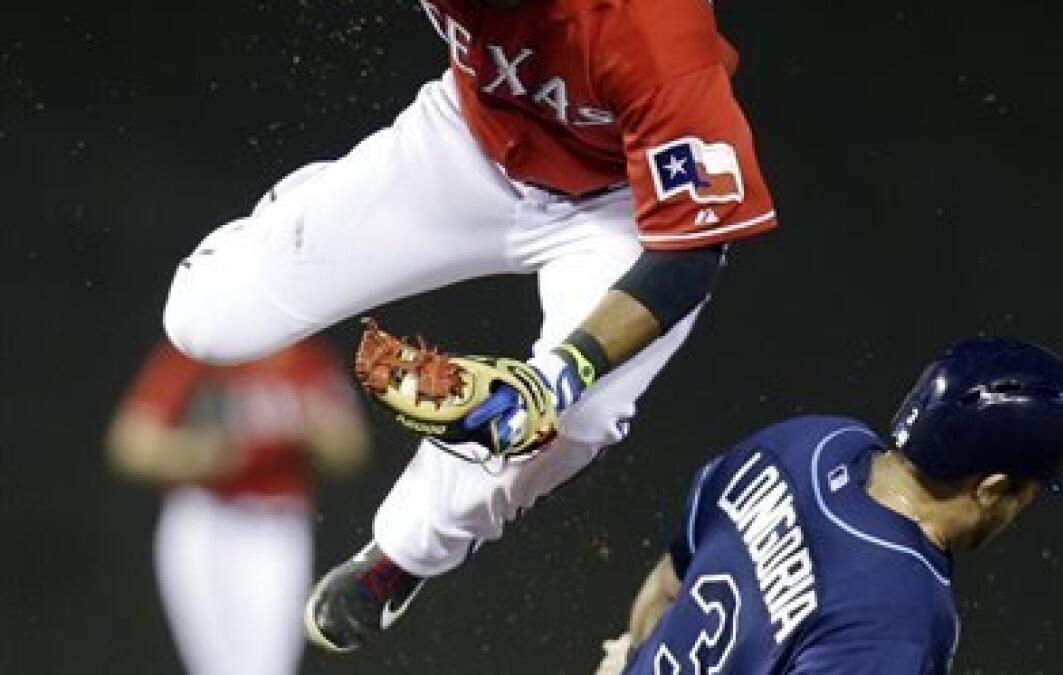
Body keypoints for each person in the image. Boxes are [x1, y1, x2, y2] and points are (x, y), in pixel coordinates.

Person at [160, 0, 778, 653]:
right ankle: (309, 208)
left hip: (615, 203)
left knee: (574, 416)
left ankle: (405, 551)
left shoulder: (651, 28)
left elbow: (688, 251)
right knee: (204, 320)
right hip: (467, 141)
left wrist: (561, 374)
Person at [595, 337, 1063, 674]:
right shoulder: (900, 617)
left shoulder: (805, 442)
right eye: (1034, 488)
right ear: (992, 487)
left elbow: (667, 586)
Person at [107, 338, 369, 675]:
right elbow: (130, 445)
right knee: (213, 663)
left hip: (275, 525)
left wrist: (318, 427)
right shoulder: (203, 350)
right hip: (203, 516)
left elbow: (350, 450)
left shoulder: (307, 360)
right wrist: (197, 455)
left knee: (268, 663)